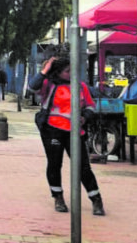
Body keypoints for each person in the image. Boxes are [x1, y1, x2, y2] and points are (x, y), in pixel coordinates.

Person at [29, 55, 105, 216]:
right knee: (55, 164)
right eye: (67, 71)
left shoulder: (80, 86)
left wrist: (85, 116)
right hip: (52, 130)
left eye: (72, 70)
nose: (71, 74)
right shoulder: (47, 85)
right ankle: (58, 198)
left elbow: (91, 106)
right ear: (57, 72)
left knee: (83, 167)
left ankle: (96, 199)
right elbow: (32, 86)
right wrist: (45, 69)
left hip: (76, 132)